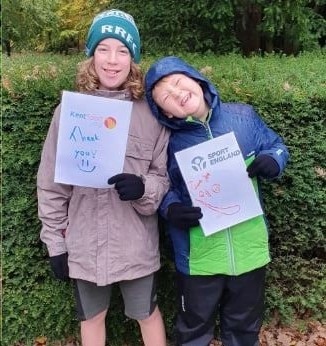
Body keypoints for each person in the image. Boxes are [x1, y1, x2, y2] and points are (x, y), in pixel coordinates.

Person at [37, 9, 169, 346]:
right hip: (84, 244)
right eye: (103, 49)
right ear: (91, 55)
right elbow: (51, 182)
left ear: (133, 58)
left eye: (122, 51)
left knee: (147, 314)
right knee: (92, 318)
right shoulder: (69, 111)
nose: (112, 60)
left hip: (135, 245)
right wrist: (55, 242)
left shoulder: (150, 114)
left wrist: (143, 188)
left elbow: (163, 177)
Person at [145, 56, 289, 346]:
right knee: (193, 331)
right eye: (165, 97)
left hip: (250, 250)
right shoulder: (168, 140)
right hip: (199, 256)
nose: (177, 93)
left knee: (244, 330)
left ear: (196, 79)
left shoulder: (244, 117)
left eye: (178, 81)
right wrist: (171, 208)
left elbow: (277, 146)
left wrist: (273, 160)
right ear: (166, 113)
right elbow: (161, 184)